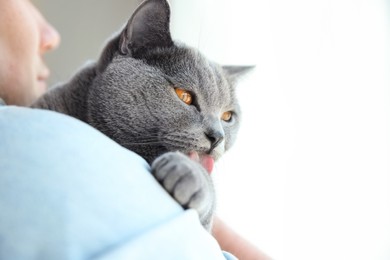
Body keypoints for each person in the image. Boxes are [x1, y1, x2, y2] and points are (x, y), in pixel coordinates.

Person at [0, 0, 271, 259]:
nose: (217, 134)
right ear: (133, 51)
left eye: (227, 116)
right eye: (186, 97)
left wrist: (204, 199)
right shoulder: (31, 135)